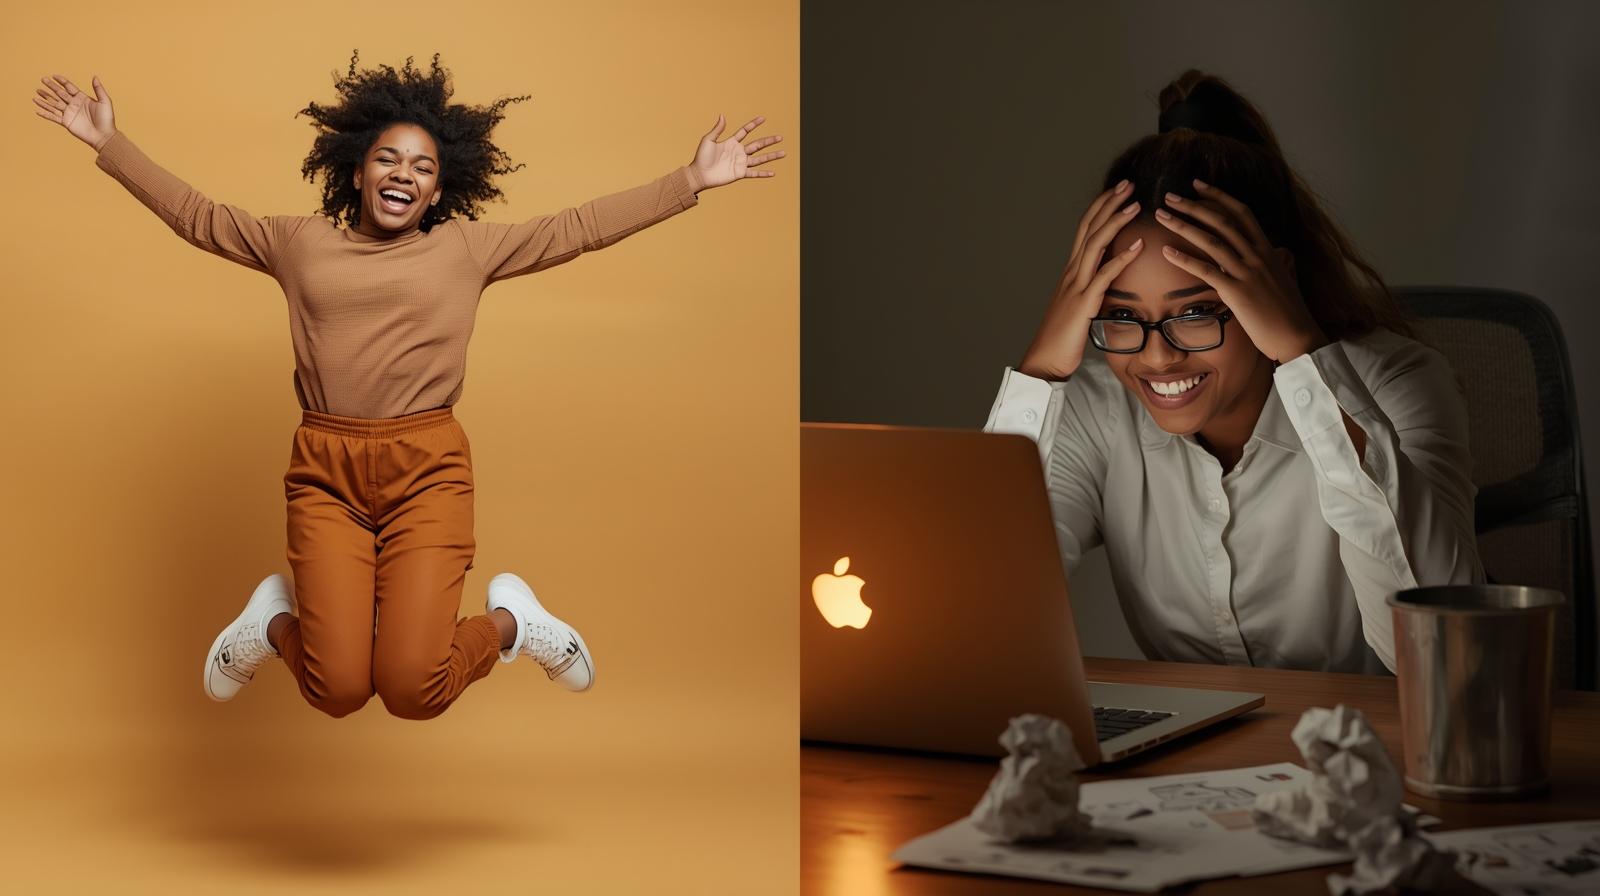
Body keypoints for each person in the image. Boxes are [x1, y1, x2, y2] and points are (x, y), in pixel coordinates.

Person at [33, 51, 784, 718]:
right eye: (389, 159)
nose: (404, 174)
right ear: (357, 169)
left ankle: (515, 625)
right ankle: (269, 624)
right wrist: (109, 143)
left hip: (428, 471)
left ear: (438, 190)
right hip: (325, 473)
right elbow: (198, 216)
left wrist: (692, 180)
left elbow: (578, 227)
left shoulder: (466, 249)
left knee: (412, 688)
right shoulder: (300, 244)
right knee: (336, 690)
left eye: (423, 168)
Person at [984, 69, 1482, 675]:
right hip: (1186, 764)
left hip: (1372, 756)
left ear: (1272, 284)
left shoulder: (1399, 383)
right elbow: (977, 618)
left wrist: (1301, 350)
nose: (1157, 356)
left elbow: (1438, 655)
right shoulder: (1095, 406)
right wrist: (1041, 372)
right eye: (1120, 315)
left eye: (1195, 312)